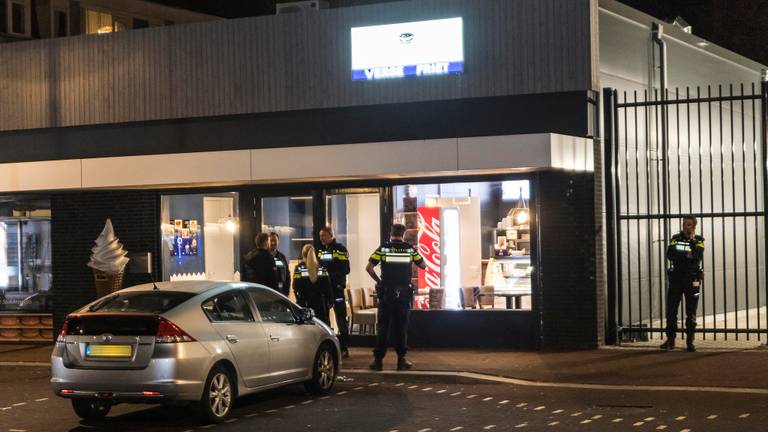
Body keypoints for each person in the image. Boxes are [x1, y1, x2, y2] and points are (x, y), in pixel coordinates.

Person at [366, 223, 426, 371]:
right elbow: (423, 265)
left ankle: (378, 361)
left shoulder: (383, 249)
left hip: (386, 292)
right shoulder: (409, 249)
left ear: (391, 233)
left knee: (383, 326)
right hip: (404, 293)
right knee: (401, 326)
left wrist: (379, 281)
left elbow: (369, 268)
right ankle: (401, 360)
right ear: (403, 234)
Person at [660, 215, 705, 352]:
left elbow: (698, 255)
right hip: (677, 279)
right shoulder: (675, 238)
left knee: (691, 312)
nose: (686, 227)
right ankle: (671, 340)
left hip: (693, 280)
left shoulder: (699, 240)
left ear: (694, 226)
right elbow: (670, 255)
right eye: (684, 224)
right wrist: (688, 255)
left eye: (689, 225)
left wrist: (691, 243)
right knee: (671, 310)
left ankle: (690, 341)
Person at [317, 226, 351, 358]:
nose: (321, 239)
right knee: (324, 319)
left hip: (336, 288)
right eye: (320, 236)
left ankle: (344, 347)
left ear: (331, 235)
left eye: (323, 236)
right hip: (324, 289)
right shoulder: (320, 250)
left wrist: (330, 275)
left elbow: (346, 269)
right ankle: (330, 347)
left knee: (340, 318)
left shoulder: (340, 249)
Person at [292, 244, 333, 325]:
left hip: (305, 304)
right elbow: (328, 286)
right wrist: (330, 301)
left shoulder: (299, 269)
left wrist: (299, 300)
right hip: (321, 304)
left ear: (303, 254)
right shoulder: (322, 268)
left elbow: (295, 286)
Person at [269, 232, 291, 297]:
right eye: (271, 240)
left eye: (275, 240)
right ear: (267, 242)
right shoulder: (264, 256)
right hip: (268, 293)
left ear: (278, 241)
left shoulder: (282, 257)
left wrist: (286, 291)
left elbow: (287, 274)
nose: (273, 243)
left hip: (281, 293)